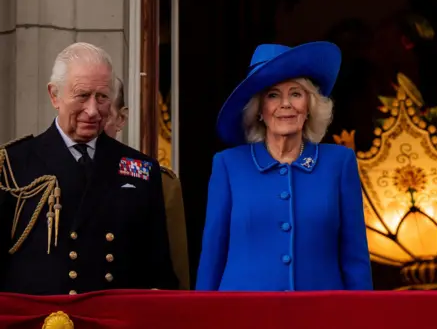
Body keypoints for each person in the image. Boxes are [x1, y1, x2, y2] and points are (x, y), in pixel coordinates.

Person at [0, 42, 178, 295]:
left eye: (103, 97)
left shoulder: (141, 168)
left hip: (113, 318)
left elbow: (159, 271)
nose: (93, 111)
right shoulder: (12, 165)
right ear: (54, 96)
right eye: (82, 95)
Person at [195, 41, 373, 291]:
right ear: (259, 109)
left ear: (309, 106)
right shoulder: (228, 165)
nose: (286, 104)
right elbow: (212, 256)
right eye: (273, 95)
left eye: (296, 94)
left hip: (321, 316)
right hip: (242, 318)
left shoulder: (339, 163)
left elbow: (355, 258)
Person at [103, 78, 191, 290]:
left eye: (104, 112)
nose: (91, 115)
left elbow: (173, 275)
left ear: (121, 118)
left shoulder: (159, 182)